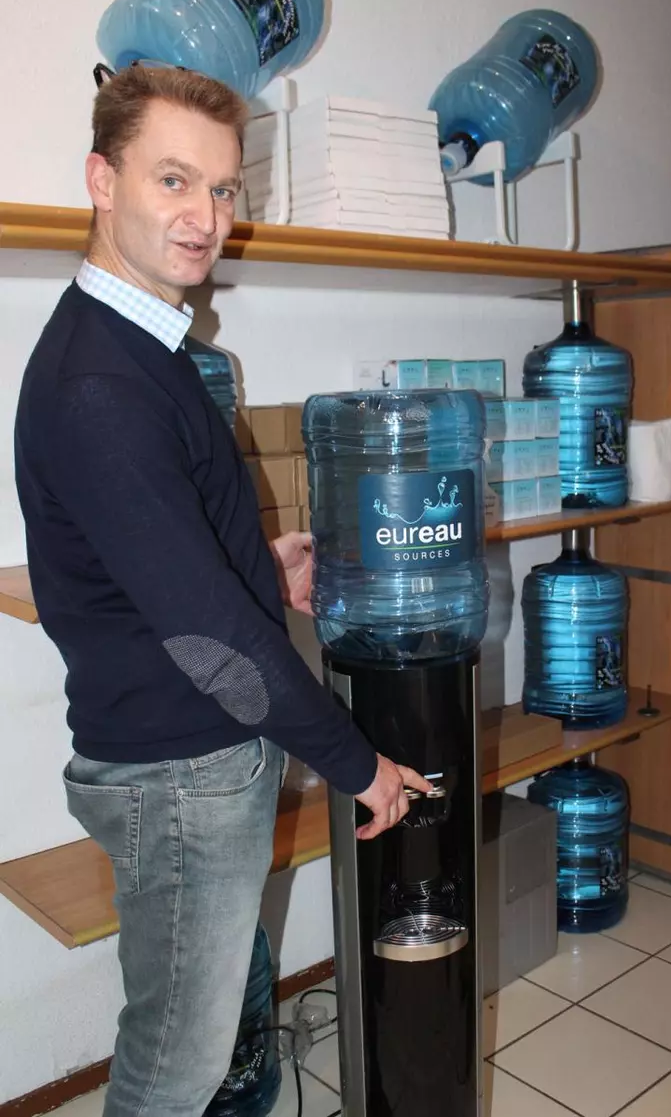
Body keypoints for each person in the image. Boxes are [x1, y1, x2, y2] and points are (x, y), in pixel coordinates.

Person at [14, 65, 430, 1117]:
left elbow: (161, 559)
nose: (206, 217)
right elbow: (209, 642)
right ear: (102, 181)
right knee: (173, 1069)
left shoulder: (144, 342)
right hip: (179, 773)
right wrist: (356, 762)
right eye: (173, 180)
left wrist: (261, 563)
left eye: (225, 188)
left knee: (194, 1042)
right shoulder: (103, 381)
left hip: (187, 758)